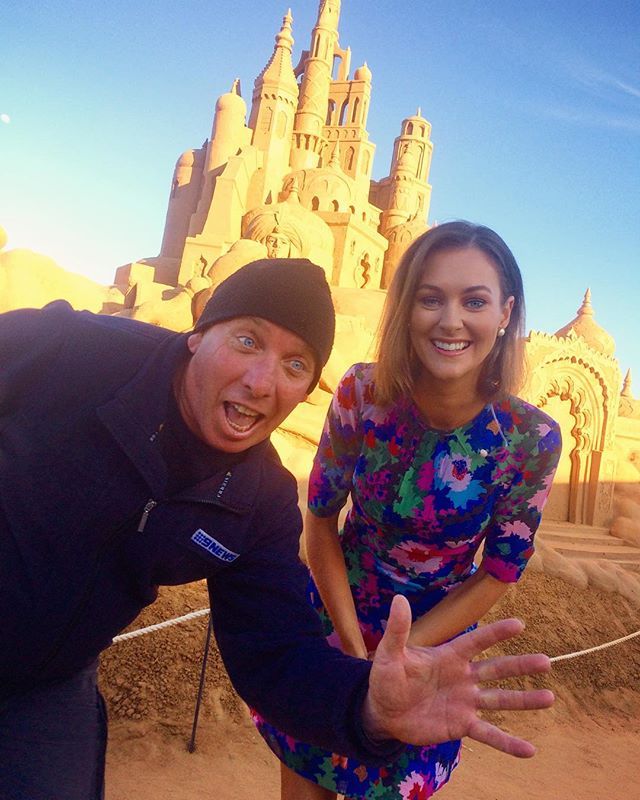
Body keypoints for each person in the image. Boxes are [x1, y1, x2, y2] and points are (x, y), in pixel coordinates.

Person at [0, 257, 554, 800]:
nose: (261, 382)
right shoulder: (71, 349)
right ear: (199, 334)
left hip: (44, 683)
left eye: (295, 365)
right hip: (345, 608)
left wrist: (366, 704)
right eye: (247, 341)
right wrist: (352, 642)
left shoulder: (258, 501)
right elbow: (324, 520)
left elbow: (274, 652)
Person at [253, 223, 562, 800]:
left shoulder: (530, 438)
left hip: (432, 650)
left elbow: (499, 571)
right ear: (406, 309)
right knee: (307, 774)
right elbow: (320, 519)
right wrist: (352, 646)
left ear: (505, 312)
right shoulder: (362, 394)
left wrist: (404, 653)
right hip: (335, 618)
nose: (451, 320)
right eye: (430, 298)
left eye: (474, 301)